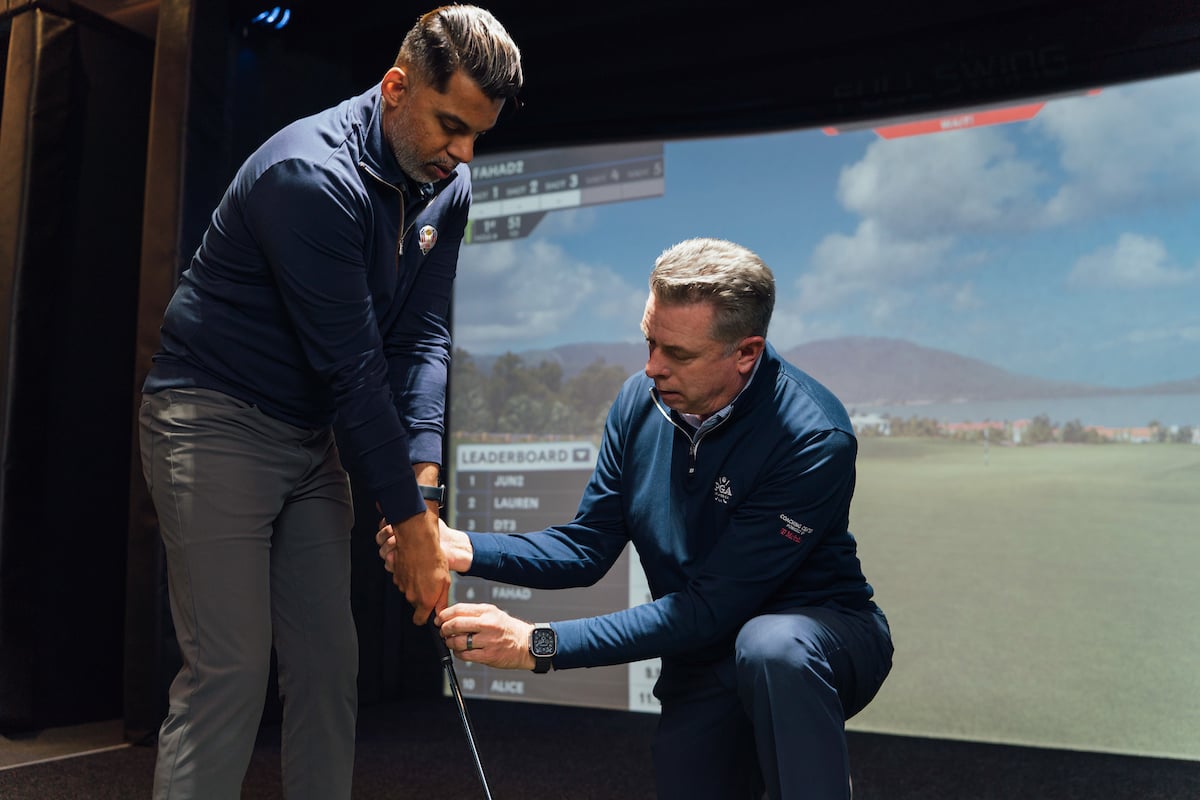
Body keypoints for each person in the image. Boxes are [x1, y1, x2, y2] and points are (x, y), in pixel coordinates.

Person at [137, 6, 522, 799]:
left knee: (327, 668)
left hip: (308, 435)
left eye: (477, 134)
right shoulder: (309, 176)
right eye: (451, 125)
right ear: (395, 87)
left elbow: (421, 339)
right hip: (213, 418)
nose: (463, 153)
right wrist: (412, 535)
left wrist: (419, 493)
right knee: (232, 670)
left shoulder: (446, 186)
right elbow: (354, 369)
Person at [380, 237, 894, 799]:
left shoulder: (813, 436)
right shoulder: (638, 401)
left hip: (817, 640)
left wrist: (536, 644)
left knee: (771, 646)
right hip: (703, 659)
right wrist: (459, 547)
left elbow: (706, 608)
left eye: (678, 354)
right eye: (649, 342)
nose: (652, 368)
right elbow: (586, 547)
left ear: (745, 352)